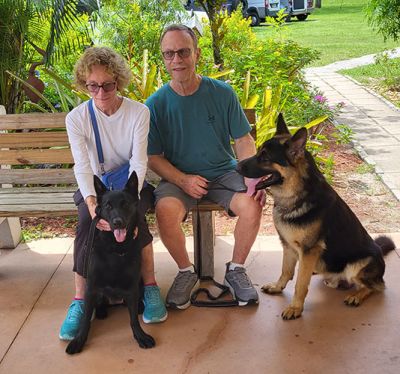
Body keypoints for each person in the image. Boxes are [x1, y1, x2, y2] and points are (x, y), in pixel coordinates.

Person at [145, 25, 266, 310]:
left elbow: (243, 139)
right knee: (165, 211)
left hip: (224, 173)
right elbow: (153, 157)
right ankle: (186, 272)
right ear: (163, 59)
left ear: (196, 54)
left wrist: (251, 179)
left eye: (184, 52)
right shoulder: (155, 105)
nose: (177, 59)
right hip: (178, 177)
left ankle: (236, 269)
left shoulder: (222, 93)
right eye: (169, 53)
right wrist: (183, 180)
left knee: (252, 203)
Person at [60, 46, 167, 341]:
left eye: (107, 84)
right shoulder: (77, 118)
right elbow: (82, 166)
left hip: (130, 186)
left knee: (137, 217)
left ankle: (149, 287)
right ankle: (81, 300)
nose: (101, 92)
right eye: (92, 85)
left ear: (118, 81)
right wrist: (94, 205)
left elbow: (139, 161)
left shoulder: (138, 112)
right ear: (85, 84)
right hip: (98, 190)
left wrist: (132, 199)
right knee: (85, 222)